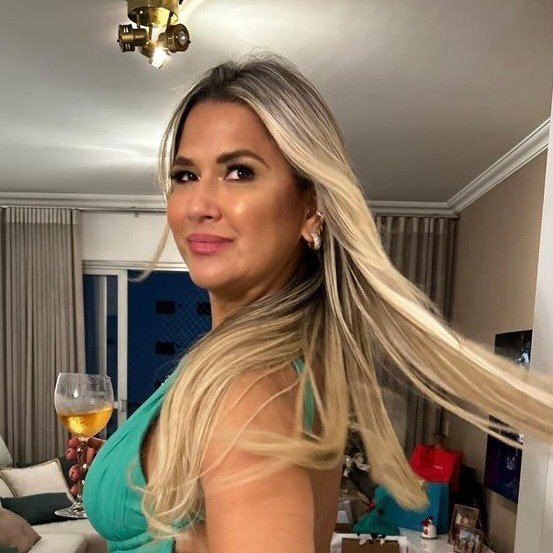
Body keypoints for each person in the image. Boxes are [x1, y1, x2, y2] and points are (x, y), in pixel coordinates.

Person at [68, 54, 553, 553]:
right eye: (186, 175)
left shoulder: (247, 395)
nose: (198, 204)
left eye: (239, 172)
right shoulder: (261, 370)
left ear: (310, 208)